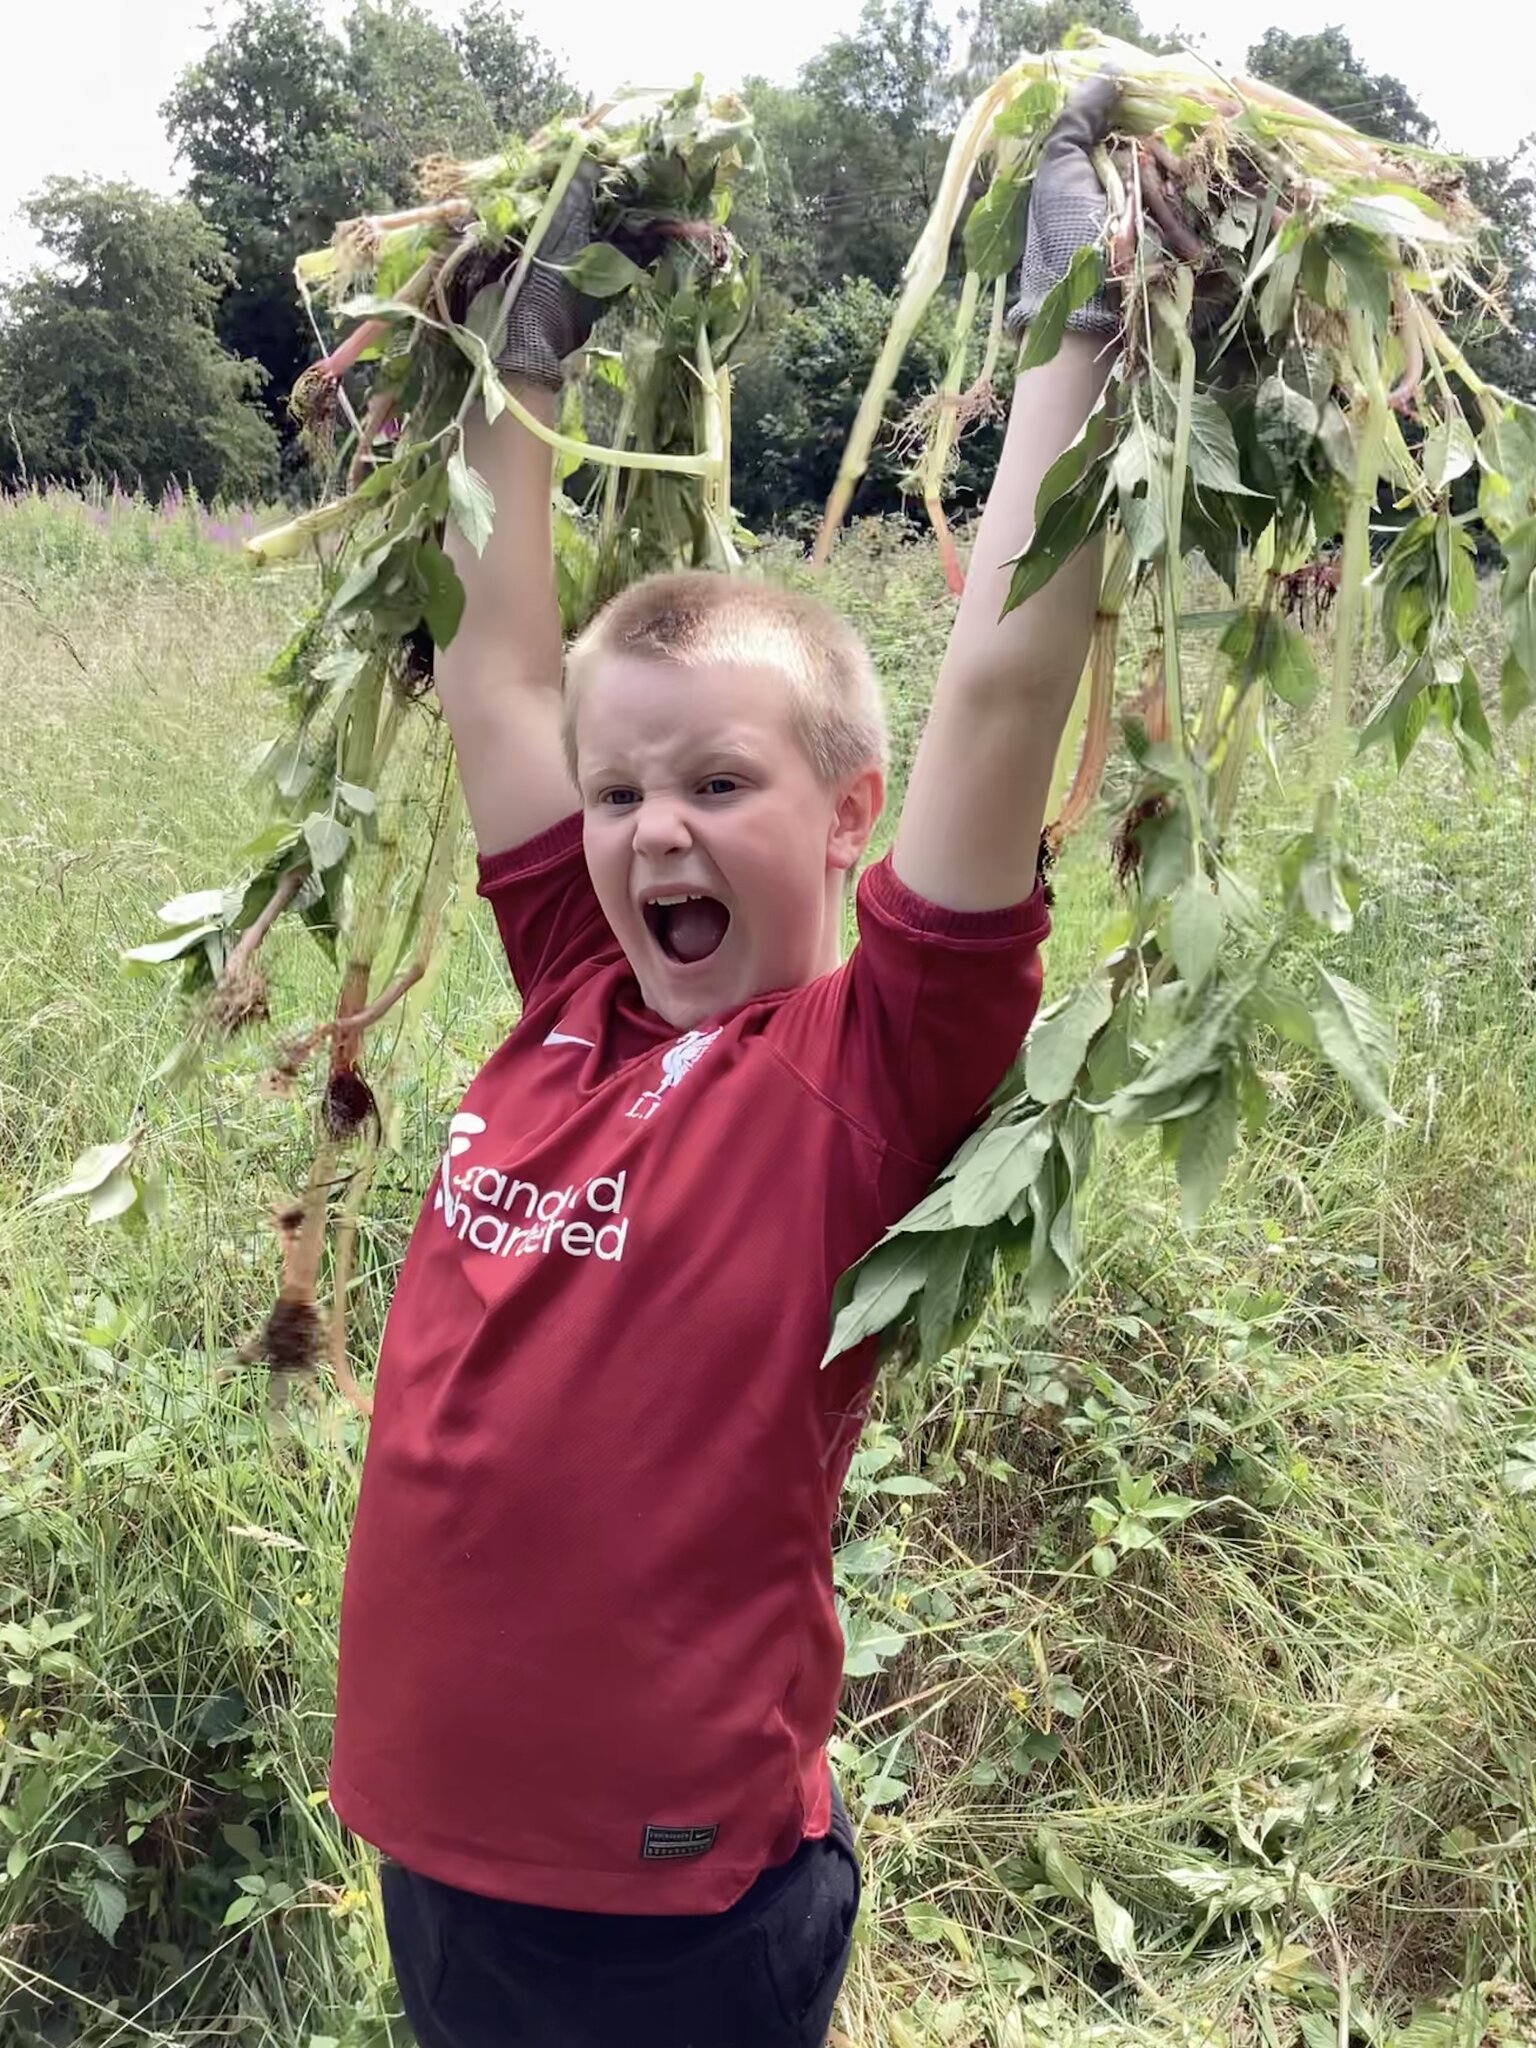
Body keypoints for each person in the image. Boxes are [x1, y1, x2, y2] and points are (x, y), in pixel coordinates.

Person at [329, 77, 1121, 2048]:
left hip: (680, 1902)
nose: (648, 827)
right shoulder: (573, 992)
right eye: (620, 791)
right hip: (437, 1852)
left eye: (719, 782)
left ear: (848, 817)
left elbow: (1009, 675)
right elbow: (502, 668)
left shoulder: (865, 1069)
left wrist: (1079, 334)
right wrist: (517, 358)